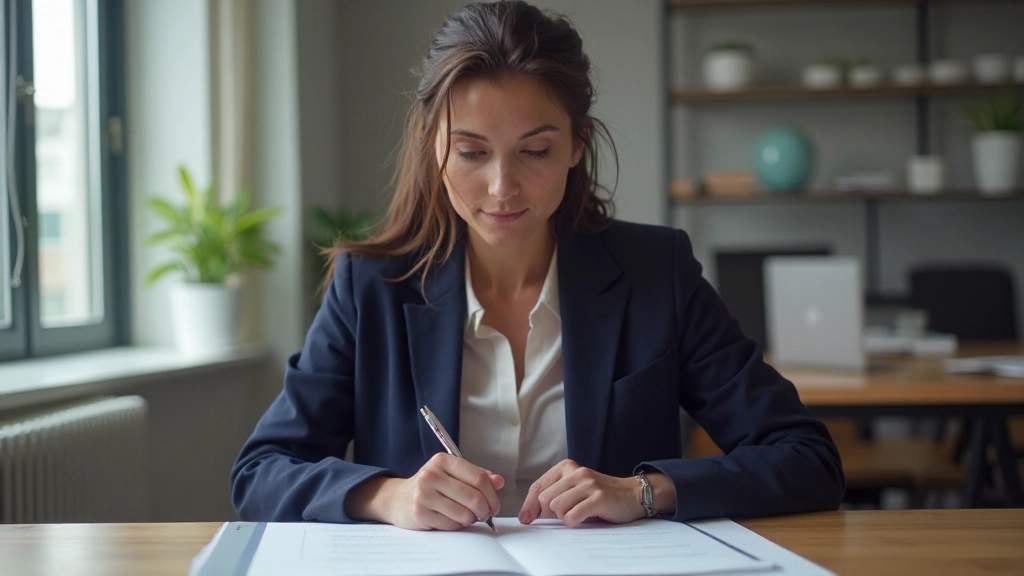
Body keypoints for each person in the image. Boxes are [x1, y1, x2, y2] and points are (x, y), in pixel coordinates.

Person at [230, 0, 844, 531]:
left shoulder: (657, 273)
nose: (502, 188)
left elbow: (807, 457)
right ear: (434, 146)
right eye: (472, 152)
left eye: (535, 151)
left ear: (577, 144)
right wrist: (389, 495)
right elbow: (261, 472)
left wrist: (645, 492)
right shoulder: (371, 288)